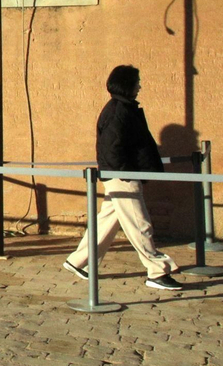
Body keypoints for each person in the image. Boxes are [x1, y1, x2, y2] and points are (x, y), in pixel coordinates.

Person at [62, 65, 183, 291]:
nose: (140, 85)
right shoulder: (119, 111)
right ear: (127, 84)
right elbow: (111, 148)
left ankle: (78, 262)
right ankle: (157, 271)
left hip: (120, 174)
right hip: (122, 176)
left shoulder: (122, 109)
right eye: (137, 81)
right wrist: (127, 173)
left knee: (107, 221)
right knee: (140, 224)